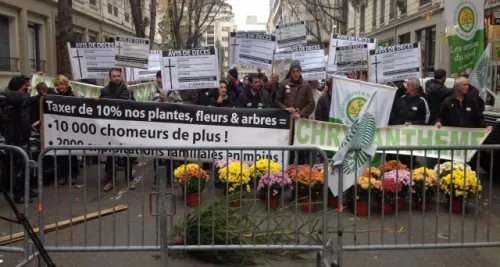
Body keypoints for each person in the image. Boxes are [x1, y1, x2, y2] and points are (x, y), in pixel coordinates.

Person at [0, 76, 40, 203]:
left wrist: (39, 96)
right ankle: (19, 195)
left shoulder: (15, 102)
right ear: (18, 88)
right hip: (17, 142)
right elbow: (8, 127)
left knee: (26, 166)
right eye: (25, 86)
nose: (28, 88)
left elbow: (25, 102)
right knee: (18, 168)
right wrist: (12, 144)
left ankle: (26, 190)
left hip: (23, 139)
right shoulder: (11, 101)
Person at [99, 68, 136, 192]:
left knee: (128, 155)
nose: (116, 78)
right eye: (114, 76)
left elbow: (136, 108)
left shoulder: (128, 91)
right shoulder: (104, 91)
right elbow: (100, 107)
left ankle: (129, 179)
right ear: (110, 77)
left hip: (125, 127)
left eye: (118, 76)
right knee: (111, 155)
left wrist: (132, 103)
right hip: (110, 127)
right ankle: (110, 180)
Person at [275, 61, 315, 165]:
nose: (295, 73)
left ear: (300, 72)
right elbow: (277, 101)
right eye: (293, 71)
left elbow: (311, 104)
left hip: (301, 123)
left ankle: (301, 175)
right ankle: (287, 173)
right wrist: (286, 109)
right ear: (290, 72)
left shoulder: (306, 85)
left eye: (297, 71)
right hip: (288, 122)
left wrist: (300, 114)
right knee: (289, 149)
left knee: (301, 150)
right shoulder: (284, 84)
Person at [52, 75, 81, 185]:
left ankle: (74, 174)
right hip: (59, 128)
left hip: (71, 128)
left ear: (66, 84)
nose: (60, 87)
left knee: (72, 152)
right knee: (61, 153)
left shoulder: (73, 95)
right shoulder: (53, 96)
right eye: (57, 85)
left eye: (61, 84)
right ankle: (63, 175)